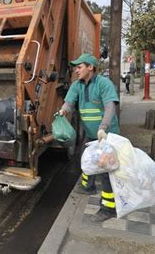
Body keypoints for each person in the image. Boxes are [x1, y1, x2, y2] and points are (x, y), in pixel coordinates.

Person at [59, 53, 120, 222]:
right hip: (91, 134)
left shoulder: (103, 84)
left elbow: (110, 108)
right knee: (86, 160)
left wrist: (103, 128)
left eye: (79, 67)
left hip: (107, 135)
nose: (76, 70)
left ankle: (108, 208)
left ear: (90, 67)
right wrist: (63, 110)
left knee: (106, 170)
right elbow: (69, 102)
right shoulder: (77, 85)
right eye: (75, 67)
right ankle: (88, 186)